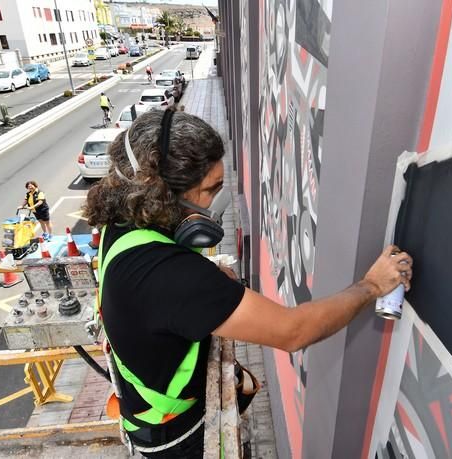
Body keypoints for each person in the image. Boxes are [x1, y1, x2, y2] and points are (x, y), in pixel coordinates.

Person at [84, 109, 413, 458]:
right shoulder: (172, 276)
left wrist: (204, 282)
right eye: (211, 190)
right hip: (179, 439)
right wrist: (371, 286)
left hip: (146, 417)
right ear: (164, 195)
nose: (217, 203)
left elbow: (158, 294)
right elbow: (293, 331)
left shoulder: (121, 228)